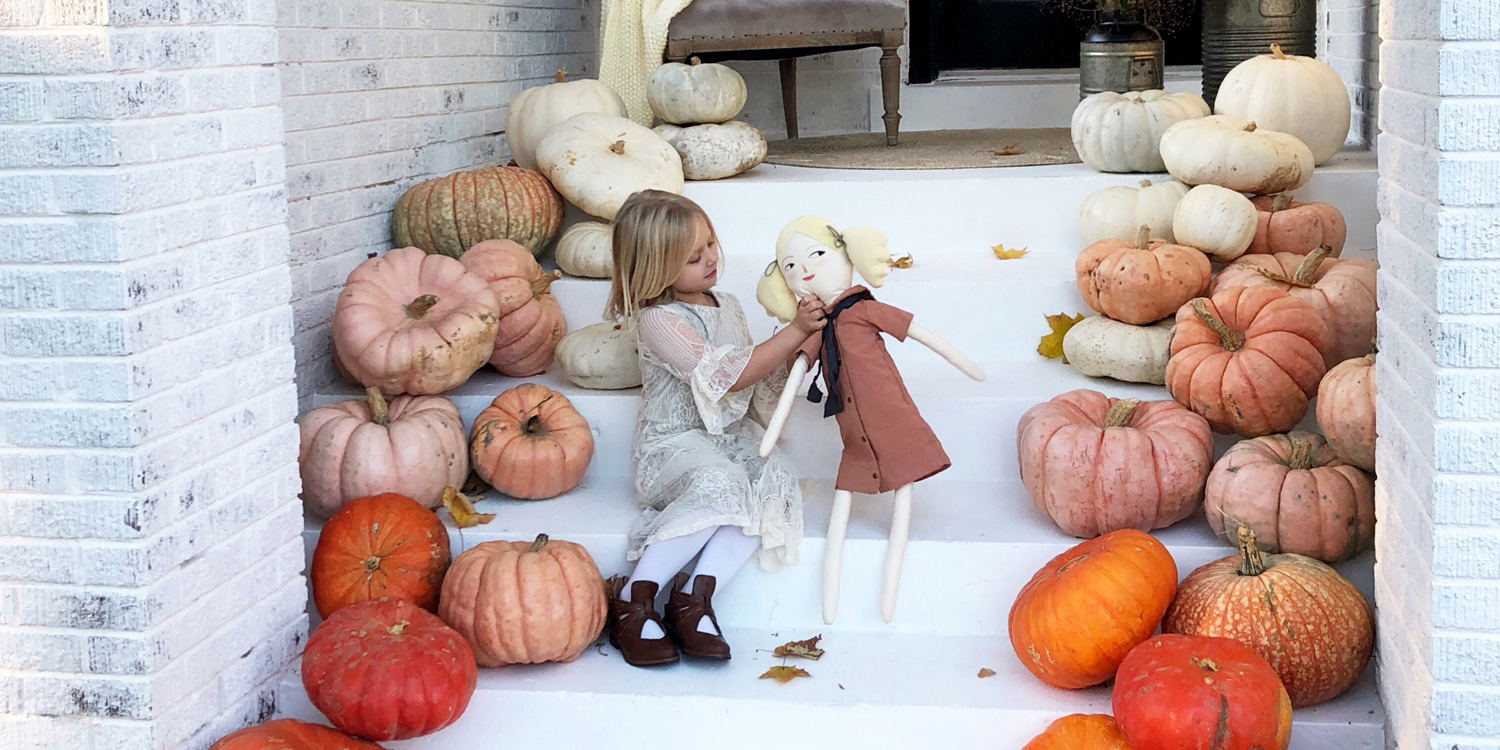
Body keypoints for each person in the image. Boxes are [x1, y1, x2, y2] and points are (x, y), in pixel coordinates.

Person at [604, 190, 825, 667]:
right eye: (692, 257)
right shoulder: (658, 320)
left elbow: (756, 372)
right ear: (655, 267)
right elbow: (726, 376)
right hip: (674, 445)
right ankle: (635, 600)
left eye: (710, 245)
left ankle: (694, 599)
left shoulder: (727, 304)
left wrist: (802, 351)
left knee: (771, 479)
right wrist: (792, 332)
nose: (710, 259)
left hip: (727, 439)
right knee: (721, 482)